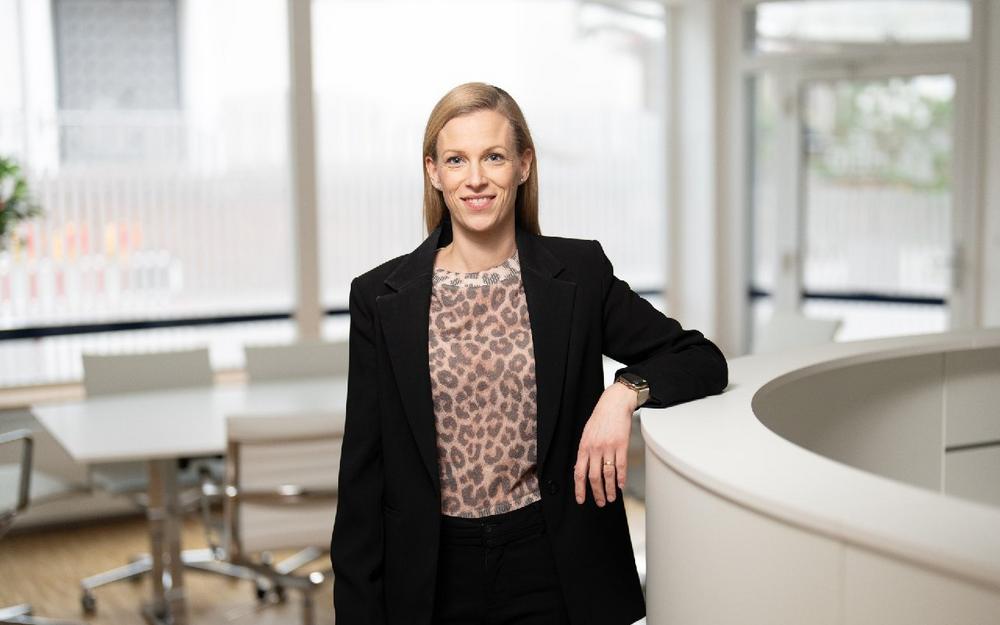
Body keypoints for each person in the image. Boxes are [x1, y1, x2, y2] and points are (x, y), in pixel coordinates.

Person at [330, 82, 728, 625]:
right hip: (429, 572)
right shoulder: (379, 297)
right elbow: (362, 476)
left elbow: (700, 358)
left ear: (523, 165)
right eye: (456, 160)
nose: (475, 178)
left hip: (554, 563)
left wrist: (623, 394)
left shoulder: (579, 275)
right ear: (433, 172)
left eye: (493, 157)